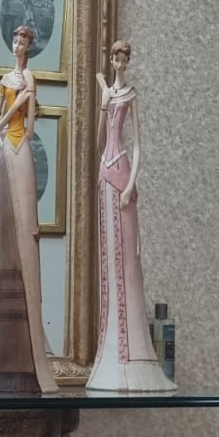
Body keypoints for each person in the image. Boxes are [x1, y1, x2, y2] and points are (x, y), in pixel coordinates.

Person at [86, 40, 176, 392]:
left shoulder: (131, 95)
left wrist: (132, 182)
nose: (120, 63)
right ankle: (112, 353)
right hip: (105, 173)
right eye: (116, 58)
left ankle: (133, 355)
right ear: (111, 60)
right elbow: (98, 142)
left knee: (127, 259)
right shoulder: (109, 93)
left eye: (125, 58)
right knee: (108, 259)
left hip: (122, 171)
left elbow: (137, 144)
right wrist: (103, 101)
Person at [0, 24, 57, 393]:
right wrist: (15, 102)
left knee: (26, 225)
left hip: (21, 150)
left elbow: (28, 130)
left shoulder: (31, 78)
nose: (17, 45)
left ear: (30, 46)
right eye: (14, 40)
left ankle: (33, 350)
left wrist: (24, 103)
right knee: (6, 227)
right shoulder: (6, 81)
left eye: (23, 41)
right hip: (5, 151)